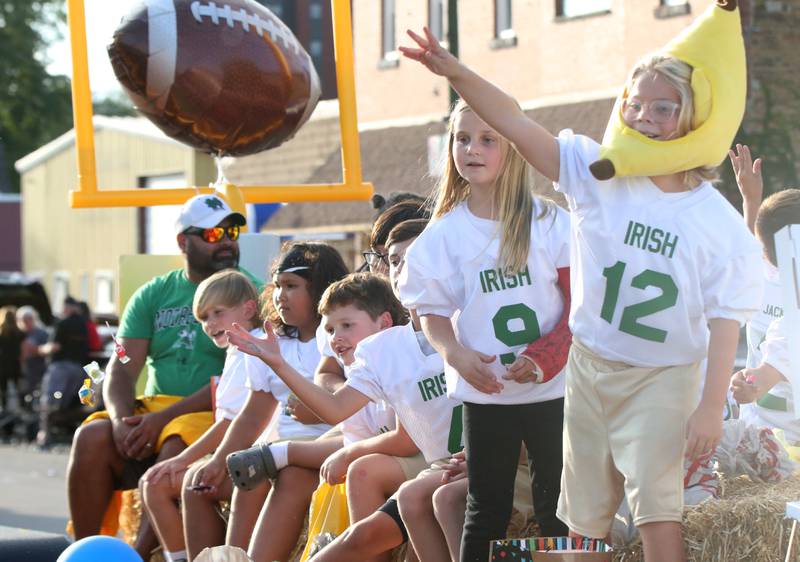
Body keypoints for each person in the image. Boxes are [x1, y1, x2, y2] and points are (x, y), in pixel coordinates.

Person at [400, 28, 762, 562]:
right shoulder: (597, 175)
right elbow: (515, 123)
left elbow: (726, 317)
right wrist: (456, 73)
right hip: (590, 369)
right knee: (580, 518)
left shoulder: (714, 220)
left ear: (696, 120)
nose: (644, 116)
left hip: (662, 375)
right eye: (634, 104)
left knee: (658, 511)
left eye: (663, 108)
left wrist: (711, 406)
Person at [394, 93, 571, 561]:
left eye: (488, 139)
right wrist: (454, 353)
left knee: (559, 509)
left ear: (513, 145)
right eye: (462, 138)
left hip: (553, 391)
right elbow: (430, 312)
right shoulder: (443, 234)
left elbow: (578, 305)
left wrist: (546, 358)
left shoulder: (549, 220)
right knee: (486, 508)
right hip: (486, 391)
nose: (472, 149)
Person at [65, 193, 255, 558]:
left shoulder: (249, 292)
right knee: (91, 436)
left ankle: (136, 555)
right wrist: (122, 421)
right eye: (214, 235)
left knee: (174, 448)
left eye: (232, 231)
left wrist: (163, 419)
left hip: (212, 413)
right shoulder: (152, 294)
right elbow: (120, 366)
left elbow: (241, 381)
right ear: (184, 242)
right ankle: (86, 551)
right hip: (154, 409)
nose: (228, 241)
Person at [226, 270, 422, 561]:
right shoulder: (362, 368)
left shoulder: (401, 357)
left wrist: (347, 454)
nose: (336, 338)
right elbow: (334, 408)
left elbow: (407, 441)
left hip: (438, 458)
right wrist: (277, 363)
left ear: (384, 323)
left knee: (361, 471)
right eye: (330, 330)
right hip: (404, 455)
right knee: (342, 472)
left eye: (346, 326)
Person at [180, 241, 347, 562]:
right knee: (232, 472)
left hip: (323, 449)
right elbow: (253, 414)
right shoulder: (271, 341)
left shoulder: (340, 336)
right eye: (277, 286)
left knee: (288, 475)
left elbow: (358, 406)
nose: (280, 295)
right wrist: (218, 460)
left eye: (292, 286)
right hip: (277, 449)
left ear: (322, 288)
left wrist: (316, 411)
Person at [140, 269, 261, 562]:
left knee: (157, 483)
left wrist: (183, 459)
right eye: (203, 318)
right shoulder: (237, 351)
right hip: (238, 452)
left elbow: (234, 422)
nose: (209, 324)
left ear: (248, 308)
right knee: (153, 482)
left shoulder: (252, 351)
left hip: (249, 456)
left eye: (218, 312)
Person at [730, 188, 800, 448]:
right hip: (786, 443)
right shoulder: (791, 324)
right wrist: (749, 384)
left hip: (756, 429)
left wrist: (751, 201)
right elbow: (763, 377)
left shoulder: (758, 276)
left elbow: (753, 251)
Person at [37, 296, 90, 445]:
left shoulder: (63, 323)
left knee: (50, 401)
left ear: (66, 307)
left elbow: (54, 346)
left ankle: (44, 434)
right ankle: (62, 432)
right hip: (78, 369)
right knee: (66, 404)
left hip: (60, 368)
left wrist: (40, 350)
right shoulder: (83, 324)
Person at [16, 306, 49, 409]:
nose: (26, 322)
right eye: (24, 320)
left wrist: (32, 349)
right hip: (23, 369)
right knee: (23, 392)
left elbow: (46, 350)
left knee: (37, 393)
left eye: (29, 319)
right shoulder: (18, 334)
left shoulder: (42, 333)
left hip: (38, 368)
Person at [0, 306, 24, 414]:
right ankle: (22, 407)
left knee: (3, 390)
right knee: (18, 388)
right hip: (16, 364)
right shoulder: (19, 332)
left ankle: (4, 409)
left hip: (3, 365)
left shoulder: (1, 332)